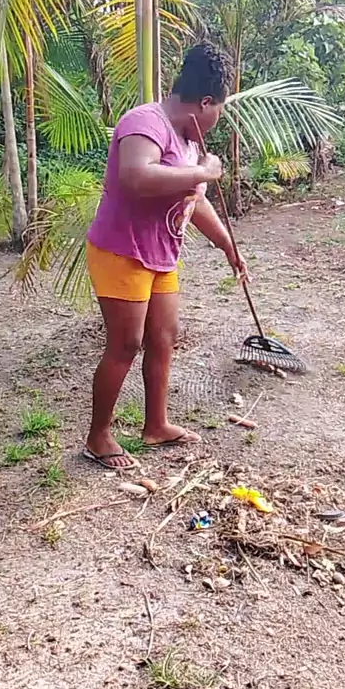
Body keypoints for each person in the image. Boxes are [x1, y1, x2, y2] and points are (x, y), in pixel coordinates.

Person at [84, 43, 249, 470]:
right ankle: (98, 436)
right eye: (219, 110)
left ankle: (155, 425)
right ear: (206, 102)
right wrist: (203, 172)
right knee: (126, 344)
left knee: (163, 337)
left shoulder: (189, 142)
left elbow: (196, 202)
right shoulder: (145, 122)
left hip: (160, 255)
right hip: (121, 252)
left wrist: (228, 246)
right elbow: (136, 176)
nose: (217, 120)